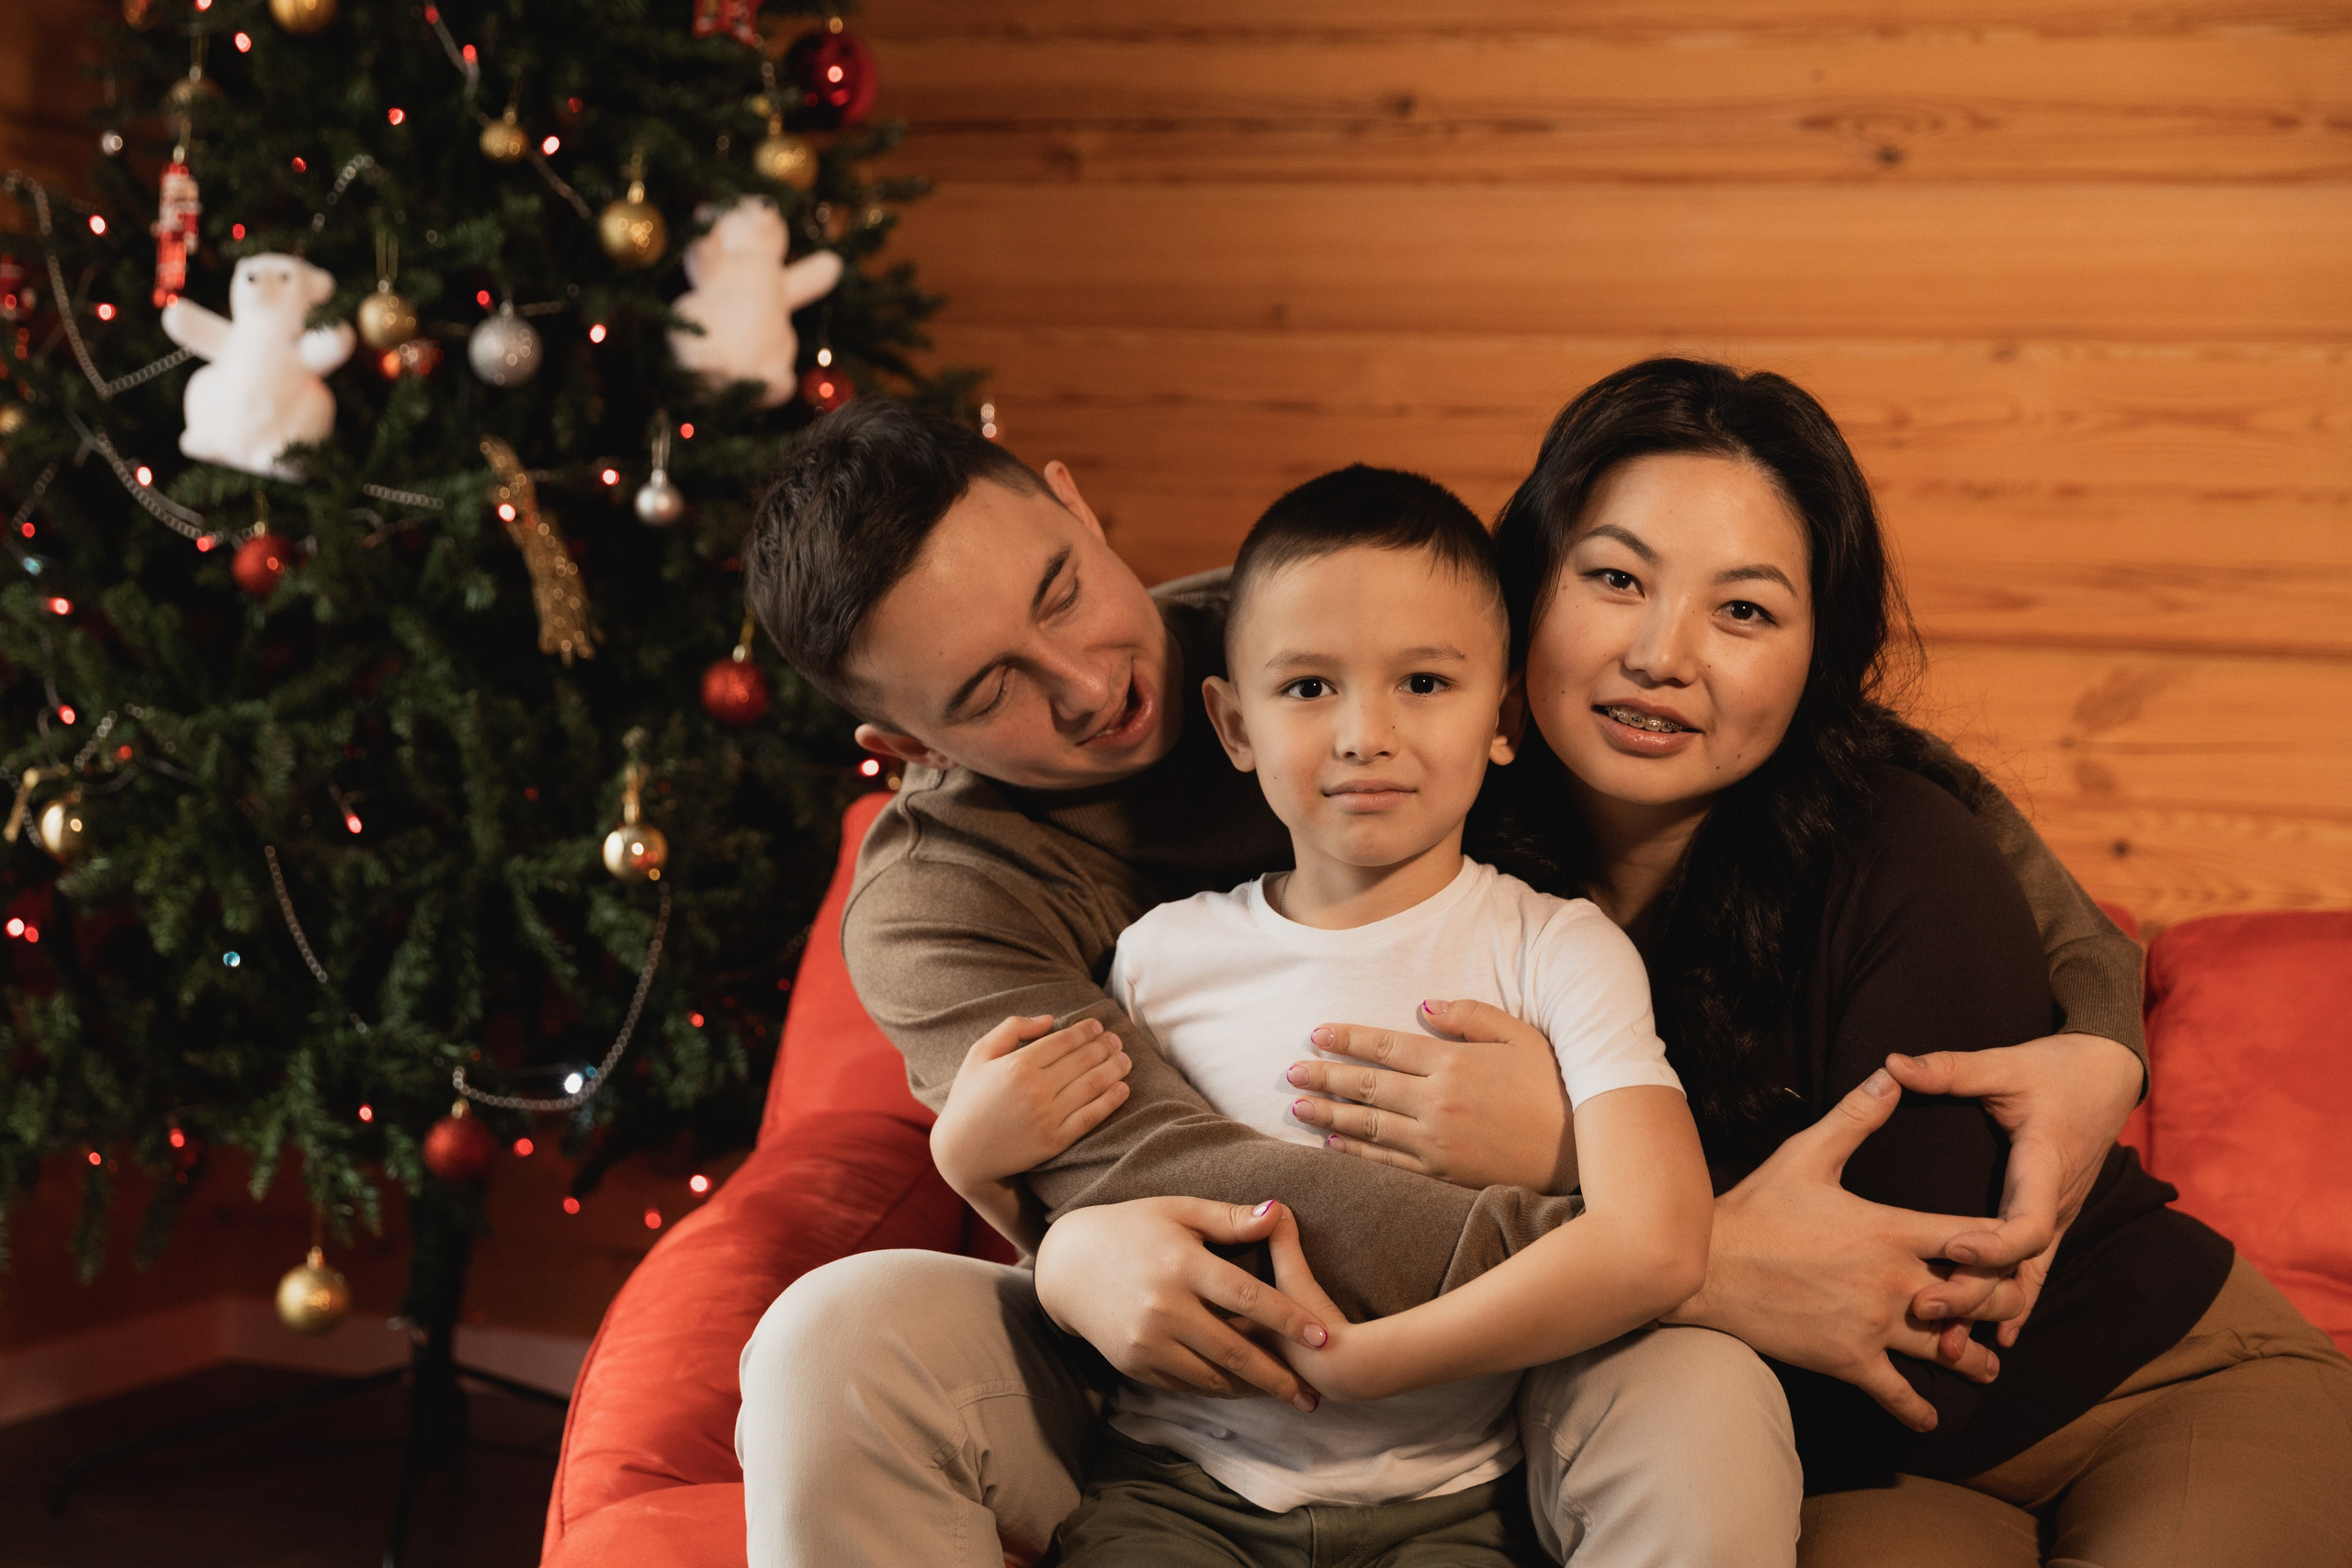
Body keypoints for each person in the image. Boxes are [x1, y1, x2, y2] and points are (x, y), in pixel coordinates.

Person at [730, 396, 2138, 1567]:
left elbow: (1873, 769)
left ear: (1075, 501)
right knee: (823, 1336)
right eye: (985, 691)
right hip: (1180, 1381)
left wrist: (2105, 1028)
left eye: (1062, 590)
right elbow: (1159, 1172)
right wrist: (1704, 1258)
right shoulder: (938, 903)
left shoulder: (1320, 617)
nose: (1087, 681)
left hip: (1494, 1393)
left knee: (1692, 1392)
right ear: (896, 740)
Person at [923, 465, 1785, 1564]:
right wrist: (973, 1168)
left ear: (1505, 714)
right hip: (1177, 1484)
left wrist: (1371, 1361)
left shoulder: (1555, 948)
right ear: (1233, 726)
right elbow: (1098, 1240)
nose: (1364, 733)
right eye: (1308, 689)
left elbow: (1657, 1241)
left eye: (1423, 684)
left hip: (1455, 1501)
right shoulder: (1157, 958)